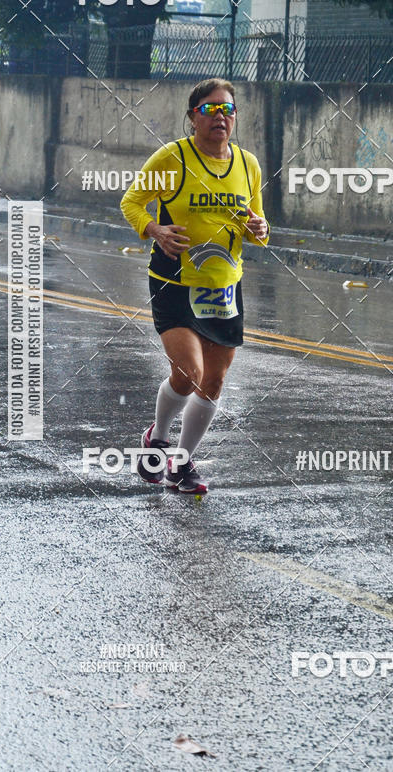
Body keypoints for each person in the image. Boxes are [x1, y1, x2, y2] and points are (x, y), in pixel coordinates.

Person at [120, 78, 270, 494]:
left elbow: (256, 224)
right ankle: (157, 439)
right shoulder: (173, 158)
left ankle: (181, 465)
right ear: (192, 117)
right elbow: (131, 202)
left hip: (224, 286)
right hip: (174, 280)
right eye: (210, 109)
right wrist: (155, 230)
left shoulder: (248, 165)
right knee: (189, 372)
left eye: (228, 109)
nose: (220, 116)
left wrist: (260, 228)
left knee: (213, 382)